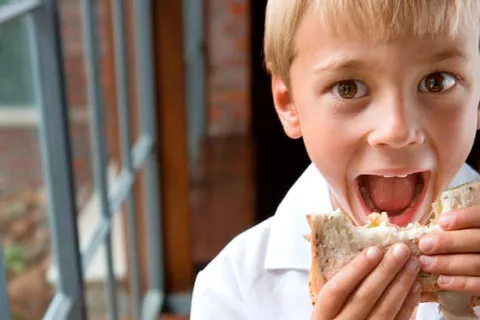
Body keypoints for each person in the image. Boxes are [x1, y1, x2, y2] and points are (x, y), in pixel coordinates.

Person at [190, 0, 480, 319]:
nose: (397, 130)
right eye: (348, 88)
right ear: (289, 104)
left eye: (436, 81)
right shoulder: (232, 291)